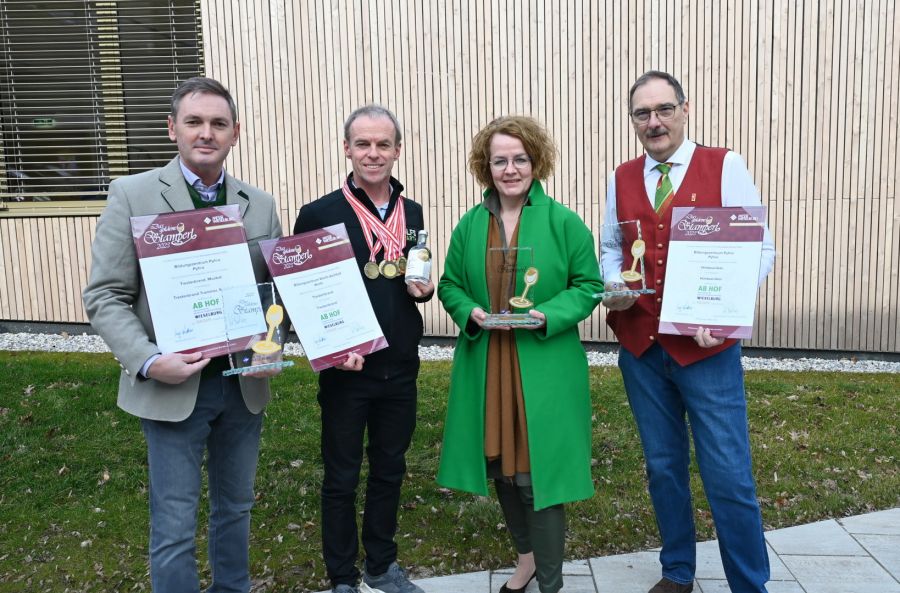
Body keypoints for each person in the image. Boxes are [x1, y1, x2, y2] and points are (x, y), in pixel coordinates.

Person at [82, 77, 284, 592]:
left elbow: (274, 295)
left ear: (235, 132)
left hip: (242, 385)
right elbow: (105, 295)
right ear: (173, 128)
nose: (206, 133)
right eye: (194, 121)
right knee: (174, 522)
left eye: (218, 123)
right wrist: (149, 361)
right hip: (173, 386)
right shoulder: (133, 194)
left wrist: (274, 342)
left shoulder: (259, 204)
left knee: (236, 508)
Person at [600, 71, 777, 593]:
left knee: (728, 474)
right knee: (663, 467)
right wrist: (615, 283)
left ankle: (749, 584)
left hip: (706, 351)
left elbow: (759, 247)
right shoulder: (622, 176)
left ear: (685, 108)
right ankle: (678, 571)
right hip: (641, 346)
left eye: (664, 109)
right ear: (633, 120)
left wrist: (724, 314)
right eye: (642, 113)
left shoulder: (724, 165)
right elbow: (612, 247)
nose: (654, 122)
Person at [437, 116, 602, 593]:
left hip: (543, 364)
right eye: (499, 161)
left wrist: (547, 314)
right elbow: (449, 284)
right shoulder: (470, 224)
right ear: (486, 167)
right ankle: (526, 561)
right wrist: (469, 312)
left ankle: (551, 584)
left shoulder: (563, 221)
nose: (510, 169)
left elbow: (588, 285)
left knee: (536, 475)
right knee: (502, 470)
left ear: (536, 162)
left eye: (520, 159)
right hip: (489, 363)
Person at [293, 105, 434, 593]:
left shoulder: (412, 212)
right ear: (347, 148)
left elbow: (414, 273)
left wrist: (424, 290)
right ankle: (342, 577)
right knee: (342, 476)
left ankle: (380, 564)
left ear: (397, 150)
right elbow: (301, 294)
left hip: (400, 365)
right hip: (347, 371)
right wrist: (329, 348)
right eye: (363, 144)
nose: (373, 154)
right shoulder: (318, 214)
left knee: (390, 470)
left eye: (382, 144)